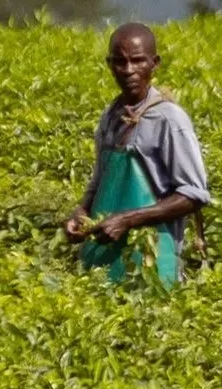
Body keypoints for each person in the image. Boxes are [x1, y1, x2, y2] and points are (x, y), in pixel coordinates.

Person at [63, 22, 212, 286]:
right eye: (120, 62)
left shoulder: (169, 119)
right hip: (105, 256)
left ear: (154, 63)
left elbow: (194, 194)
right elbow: (100, 181)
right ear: (109, 64)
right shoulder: (111, 116)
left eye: (138, 61)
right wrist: (82, 212)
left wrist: (128, 220)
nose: (129, 70)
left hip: (154, 256)